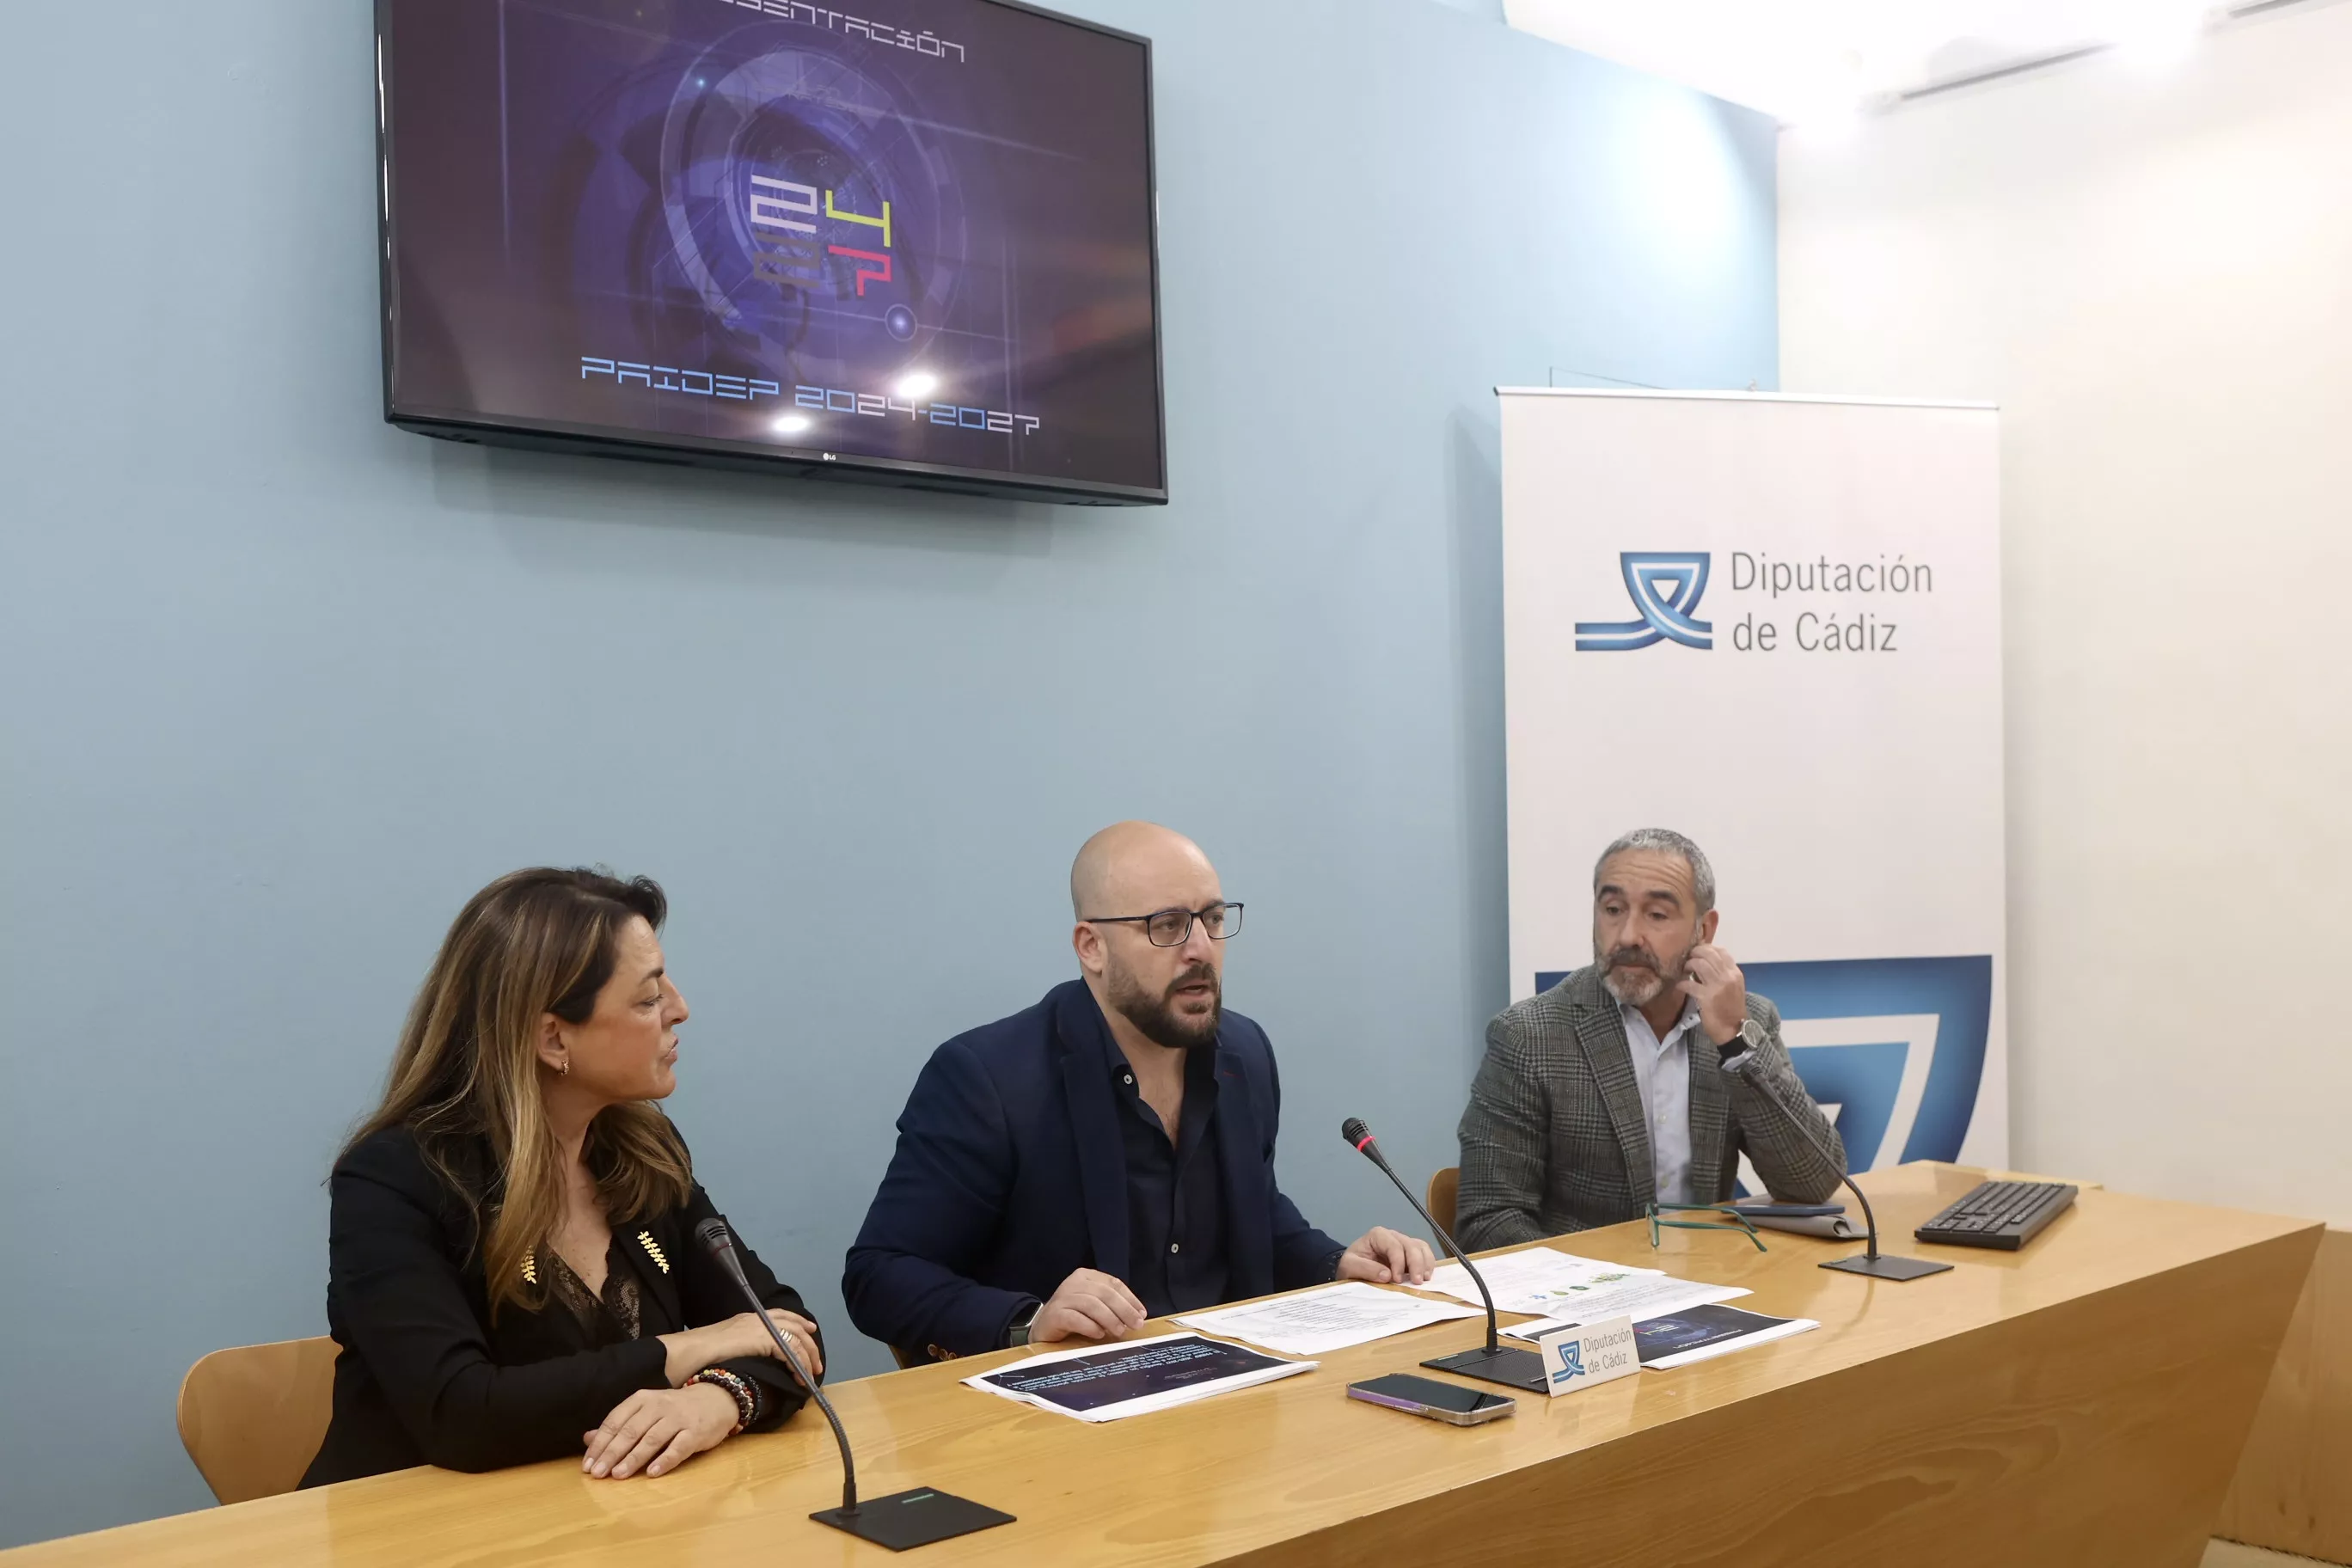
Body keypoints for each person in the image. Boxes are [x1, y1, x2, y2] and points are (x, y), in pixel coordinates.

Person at [303, 868, 823, 1486]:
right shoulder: (396, 1180)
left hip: (604, 1523)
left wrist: (717, 1400)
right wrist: (687, 1349)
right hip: (419, 1534)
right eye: (649, 998)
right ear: (553, 1037)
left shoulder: (643, 1154)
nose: (680, 1010)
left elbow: (787, 1331)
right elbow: (463, 1413)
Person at [843, 821, 1435, 1363]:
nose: (1200, 948)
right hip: (1068, 1420)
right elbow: (880, 1275)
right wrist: (1028, 1320)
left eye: (1213, 919)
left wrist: (1334, 1264)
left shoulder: (1243, 1055)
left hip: (1237, 1397)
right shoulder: (988, 1079)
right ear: (1090, 947)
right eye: (1167, 926)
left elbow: (1254, 1217)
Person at [1454, 829, 1845, 1249]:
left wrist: (1736, 1042)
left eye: (1657, 915)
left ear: (1704, 931)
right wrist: (1600, 1293)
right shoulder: (1531, 1036)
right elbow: (1488, 1220)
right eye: (1613, 909)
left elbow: (1812, 1183)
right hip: (1593, 1298)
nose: (1626, 936)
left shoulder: (1744, 1021)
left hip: (1717, 1284)